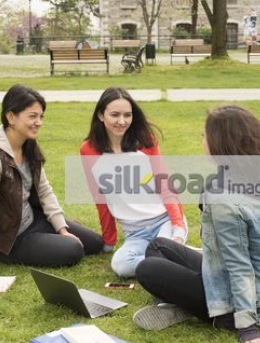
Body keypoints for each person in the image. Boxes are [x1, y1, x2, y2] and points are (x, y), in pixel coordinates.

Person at [133, 104, 260, 343]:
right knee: (158, 246)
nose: (202, 140)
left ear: (220, 143)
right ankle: (188, 304)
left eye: (205, 135)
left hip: (248, 301)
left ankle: (212, 314)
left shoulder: (224, 198)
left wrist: (247, 327)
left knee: (148, 268)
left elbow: (240, 265)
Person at [0, 84, 103, 284]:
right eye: (32, 116)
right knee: (73, 251)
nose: (38, 122)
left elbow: (45, 191)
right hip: (11, 238)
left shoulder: (28, 145)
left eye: (41, 116)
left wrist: (62, 229)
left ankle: (53, 235)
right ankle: (26, 247)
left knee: (95, 243)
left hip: (33, 219)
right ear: (11, 117)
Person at [79, 86, 188, 278]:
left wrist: (178, 228)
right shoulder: (88, 150)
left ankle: (171, 257)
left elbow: (165, 185)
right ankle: (175, 259)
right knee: (121, 266)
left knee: (162, 252)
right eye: (115, 115)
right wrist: (109, 241)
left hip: (165, 221)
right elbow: (100, 197)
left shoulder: (146, 142)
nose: (122, 121)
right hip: (136, 233)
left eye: (127, 115)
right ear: (101, 115)